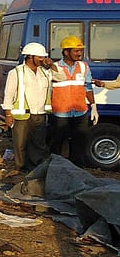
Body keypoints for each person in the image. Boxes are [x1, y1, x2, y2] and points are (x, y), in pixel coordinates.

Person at [48, 35, 103, 165]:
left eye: (80, 51)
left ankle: (77, 171)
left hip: (80, 111)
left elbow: (87, 87)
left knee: (79, 145)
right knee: (57, 144)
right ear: (66, 52)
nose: (79, 53)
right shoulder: (54, 67)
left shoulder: (84, 67)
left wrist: (93, 106)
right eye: (76, 51)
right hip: (60, 112)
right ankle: (54, 169)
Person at [1, 42, 53, 174]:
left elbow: (61, 77)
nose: (43, 60)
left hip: (39, 113)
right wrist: (8, 114)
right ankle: (22, 170)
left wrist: (51, 65)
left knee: (38, 144)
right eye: (40, 57)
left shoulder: (45, 73)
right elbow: (9, 94)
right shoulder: (16, 73)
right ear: (30, 57)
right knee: (20, 144)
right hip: (22, 115)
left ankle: (36, 170)